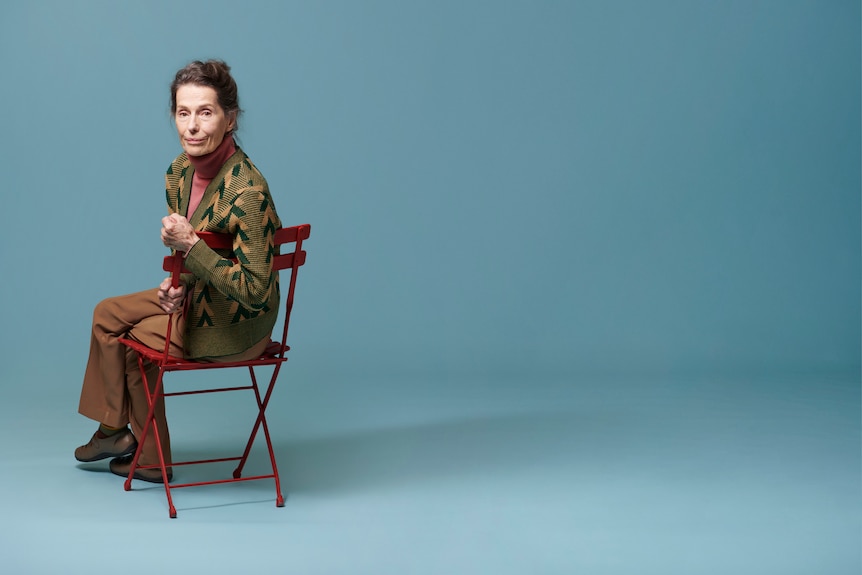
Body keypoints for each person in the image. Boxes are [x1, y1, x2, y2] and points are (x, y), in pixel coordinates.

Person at [75, 60, 282, 483]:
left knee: (131, 344)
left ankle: (150, 458)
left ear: (230, 118)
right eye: (183, 112)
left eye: (205, 112)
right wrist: (177, 287)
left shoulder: (248, 190)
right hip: (199, 300)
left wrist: (191, 246)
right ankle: (114, 431)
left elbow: (256, 290)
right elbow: (195, 263)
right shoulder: (178, 173)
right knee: (106, 314)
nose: (192, 125)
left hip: (237, 325)